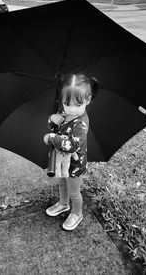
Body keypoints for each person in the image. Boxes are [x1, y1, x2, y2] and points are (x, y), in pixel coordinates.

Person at [44, 73, 98, 231]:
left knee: (74, 191)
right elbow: (55, 126)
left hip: (75, 164)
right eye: (67, 103)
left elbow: (73, 145)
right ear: (62, 100)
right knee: (62, 183)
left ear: (87, 100)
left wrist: (52, 137)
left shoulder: (81, 124)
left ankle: (77, 212)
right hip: (62, 160)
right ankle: (63, 204)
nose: (71, 109)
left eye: (77, 104)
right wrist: (52, 119)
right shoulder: (63, 111)